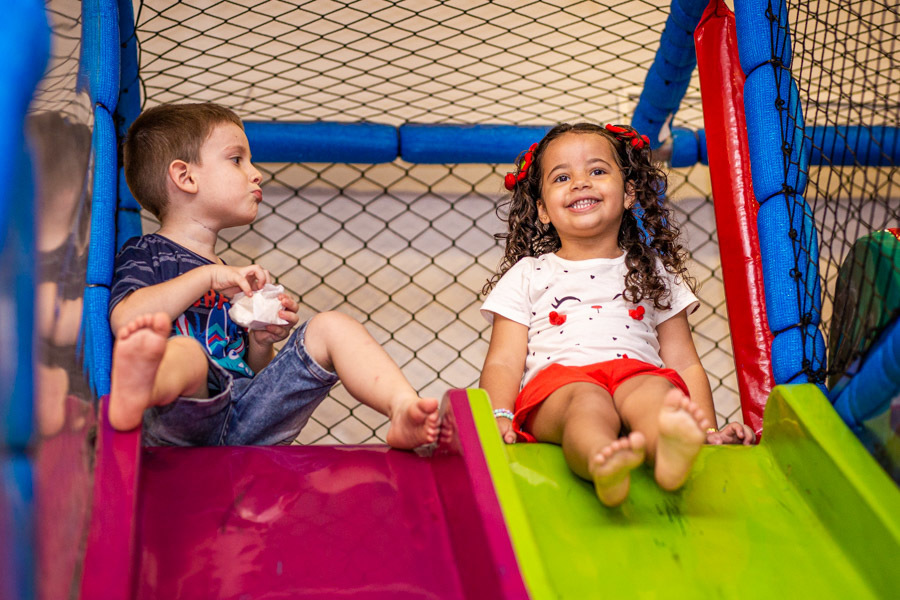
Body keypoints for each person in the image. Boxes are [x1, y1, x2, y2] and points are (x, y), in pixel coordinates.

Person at [108, 102, 439, 448]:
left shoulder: (229, 272)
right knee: (187, 354)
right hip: (180, 424)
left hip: (246, 418)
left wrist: (260, 341)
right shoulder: (147, 253)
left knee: (330, 326)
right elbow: (127, 318)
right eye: (237, 160)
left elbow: (248, 371)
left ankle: (402, 407)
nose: (256, 173)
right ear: (186, 177)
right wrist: (205, 278)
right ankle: (136, 392)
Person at [479, 123, 755, 507]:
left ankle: (672, 450)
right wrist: (499, 414)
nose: (580, 183)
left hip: (636, 374)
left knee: (658, 394)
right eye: (562, 177)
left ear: (628, 194)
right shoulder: (528, 274)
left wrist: (707, 428)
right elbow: (504, 360)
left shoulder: (653, 270)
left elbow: (684, 361)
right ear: (542, 209)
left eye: (597, 171)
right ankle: (600, 460)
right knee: (586, 404)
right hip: (559, 387)